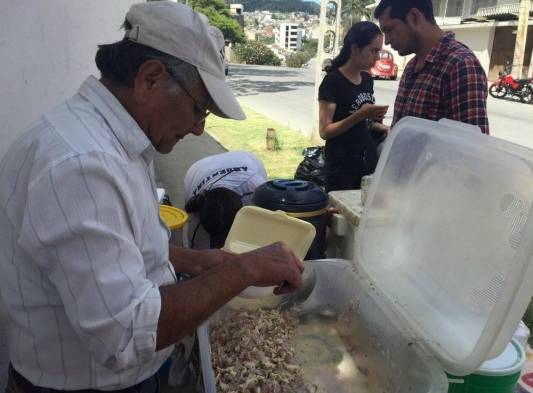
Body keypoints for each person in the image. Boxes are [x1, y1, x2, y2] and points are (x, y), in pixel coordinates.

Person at [0, 2, 304, 393]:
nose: (198, 129)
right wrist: (243, 270)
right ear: (150, 79)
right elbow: (124, 335)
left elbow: (122, 243)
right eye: (199, 109)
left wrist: (196, 261)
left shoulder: (120, 141)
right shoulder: (79, 165)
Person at [374, 0, 489, 135]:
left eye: (389, 30)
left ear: (414, 17)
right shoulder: (411, 67)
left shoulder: (460, 65)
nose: (387, 41)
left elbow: (472, 147)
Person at [318, 21, 389, 192]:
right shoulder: (333, 81)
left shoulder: (367, 80)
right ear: (355, 48)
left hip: (367, 163)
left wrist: (383, 127)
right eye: (373, 51)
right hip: (341, 168)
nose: (377, 57)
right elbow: (325, 131)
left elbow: (366, 124)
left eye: (379, 52)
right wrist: (360, 114)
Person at [184, 151, 267, 250]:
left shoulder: (256, 189)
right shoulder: (196, 222)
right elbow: (195, 258)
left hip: (245, 160)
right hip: (199, 169)